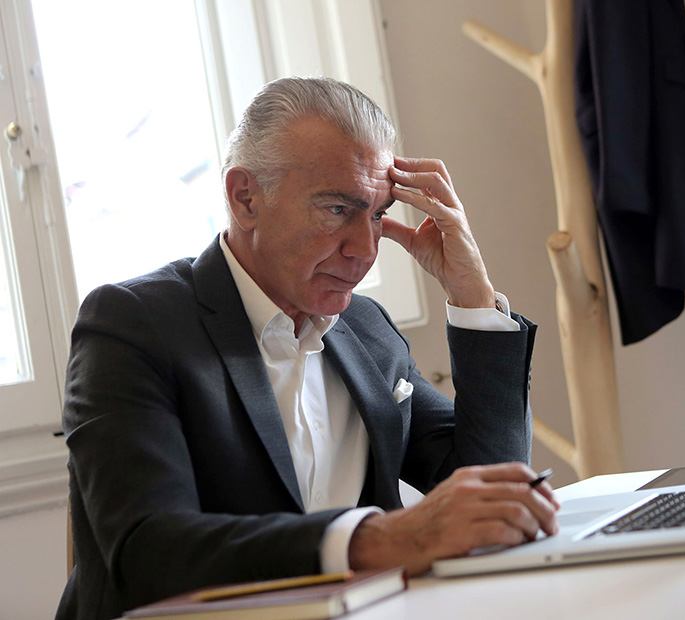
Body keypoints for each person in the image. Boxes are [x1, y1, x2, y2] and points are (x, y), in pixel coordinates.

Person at [56, 76, 559, 620]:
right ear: (244, 197)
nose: (365, 250)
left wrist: (473, 293)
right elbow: (148, 552)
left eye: (376, 213)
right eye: (338, 209)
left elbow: (491, 488)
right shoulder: (132, 324)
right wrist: (375, 540)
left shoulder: (366, 329)